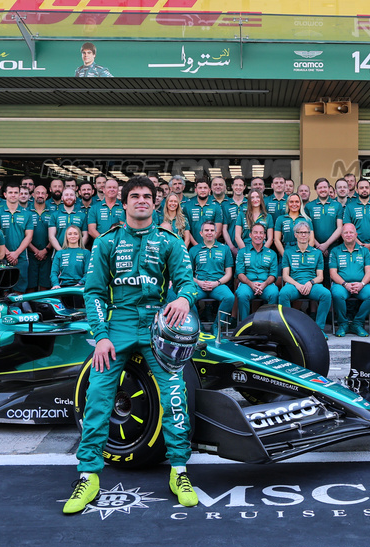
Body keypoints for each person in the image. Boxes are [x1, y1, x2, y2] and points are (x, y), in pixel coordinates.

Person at [67, 176, 201, 514]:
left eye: (147, 196)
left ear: (156, 203)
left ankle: (179, 472)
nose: (142, 200)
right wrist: (101, 336)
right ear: (124, 203)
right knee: (97, 398)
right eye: (135, 196)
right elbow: (94, 292)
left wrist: (184, 298)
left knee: (175, 396)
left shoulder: (170, 241)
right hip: (118, 326)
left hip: (158, 327)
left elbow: (187, 281)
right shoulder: (106, 242)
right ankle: (88, 475)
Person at [328, 223, 370, 337]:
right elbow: (333, 273)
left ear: (356, 235)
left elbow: (369, 271)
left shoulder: (364, 251)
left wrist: (362, 284)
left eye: (351, 232)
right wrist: (345, 284)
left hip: (361, 285)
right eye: (346, 232)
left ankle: (357, 323)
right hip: (342, 285)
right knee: (336, 294)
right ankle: (343, 324)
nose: (348, 235)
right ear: (341, 235)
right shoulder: (335, 251)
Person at [190, 221, 235, 333]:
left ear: (216, 233)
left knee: (230, 297)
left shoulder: (225, 249)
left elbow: (229, 273)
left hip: (217, 284)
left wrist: (217, 283)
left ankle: (217, 326)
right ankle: (198, 326)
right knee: (187, 298)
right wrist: (199, 282)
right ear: (201, 233)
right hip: (199, 285)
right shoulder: (194, 250)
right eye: (206, 230)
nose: (209, 233)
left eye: (211, 230)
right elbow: (188, 274)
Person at [234, 222, 280, 317]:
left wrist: (264, 284)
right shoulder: (242, 252)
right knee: (242, 294)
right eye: (255, 232)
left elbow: (273, 274)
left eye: (261, 233)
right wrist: (251, 284)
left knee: (274, 293)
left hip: (266, 284)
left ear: (264, 236)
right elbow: (240, 273)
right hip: (247, 284)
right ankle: (244, 325)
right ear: (250, 235)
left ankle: (269, 323)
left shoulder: (272, 253)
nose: (258, 235)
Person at [0, 185, 35, 290]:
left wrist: (16, 254)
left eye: (15, 192)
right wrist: (8, 254)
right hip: (2, 257)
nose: (13, 195)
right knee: (2, 289)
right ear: (5, 195)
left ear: (19, 195)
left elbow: (29, 236)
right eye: (10, 192)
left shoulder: (27, 214)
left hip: (21, 258)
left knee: (19, 290)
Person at [27, 185, 54, 290]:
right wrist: (35, 251)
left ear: (47, 196)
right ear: (33, 195)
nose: (40, 195)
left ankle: (43, 306)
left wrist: (46, 250)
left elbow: (54, 235)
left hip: (47, 254)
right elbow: (24, 235)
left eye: (43, 193)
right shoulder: (26, 212)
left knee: (45, 285)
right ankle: (29, 307)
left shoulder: (52, 213)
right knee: (30, 286)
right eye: (37, 193)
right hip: (30, 254)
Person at [306, 178, 343, 253]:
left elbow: (340, 228)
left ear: (329, 189)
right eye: (320, 188)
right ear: (316, 190)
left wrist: (326, 245)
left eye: (325, 187)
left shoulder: (337, 205)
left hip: (334, 248)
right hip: (314, 248)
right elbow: (307, 229)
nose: (323, 190)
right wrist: (318, 246)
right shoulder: (309, 206)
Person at [273, 193, 312, 258]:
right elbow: (277, 240)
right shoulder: (280, 219)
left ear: (300, 204)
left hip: (303, 250)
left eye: (297, 202)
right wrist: (285, 256)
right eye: (291, 202)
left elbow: (311, 240)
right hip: (286, 249)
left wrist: (304, 254)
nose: (294, 204)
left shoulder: (307, 219)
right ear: (288, 203)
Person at [51, 186, 88, 251]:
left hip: (77, 252)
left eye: (71, 195)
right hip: (59, 252)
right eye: (66, 195)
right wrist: (61, 252)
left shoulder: (82, 215)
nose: (69, 197)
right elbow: (51, 236)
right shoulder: (55, 215)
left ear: (75, 198)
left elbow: (85, 236)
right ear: (62, 198)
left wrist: (78, 249)